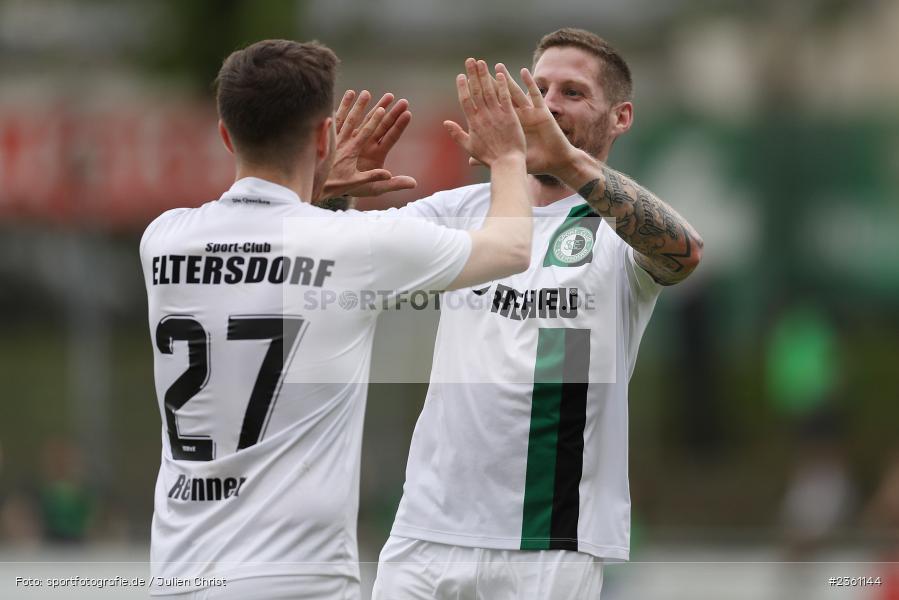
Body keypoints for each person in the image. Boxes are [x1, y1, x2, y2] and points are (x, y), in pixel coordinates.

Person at [139, 39, 532, 599]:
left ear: (226, 135)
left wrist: (318, 189)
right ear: (324, 136)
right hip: (299, 580)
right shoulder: (356, 244)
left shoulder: (163, 240)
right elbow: (514, 247)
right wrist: (509, 157)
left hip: (178, 576)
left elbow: (263, 252)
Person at [368, 28, 704, 599]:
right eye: (540, 88)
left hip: (551, 543)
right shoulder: (458, 211)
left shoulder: (618, 229)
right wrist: (328, 196)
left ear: (620, 118)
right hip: (427, 533)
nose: (549, 104)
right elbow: (335, 257)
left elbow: (684, 251)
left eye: (573, 93)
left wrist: (570, 165)